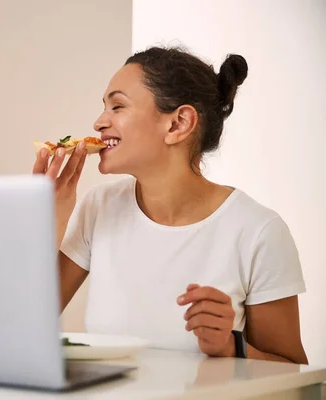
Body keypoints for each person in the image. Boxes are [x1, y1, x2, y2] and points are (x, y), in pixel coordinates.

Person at [32, 46, 308, 364]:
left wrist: (232, 348)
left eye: (117, 106)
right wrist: (48, 222)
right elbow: (23, 325)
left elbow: (296, 374)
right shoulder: (98, 208)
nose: (98, 123)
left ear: (177, 124)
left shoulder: (258, 231)